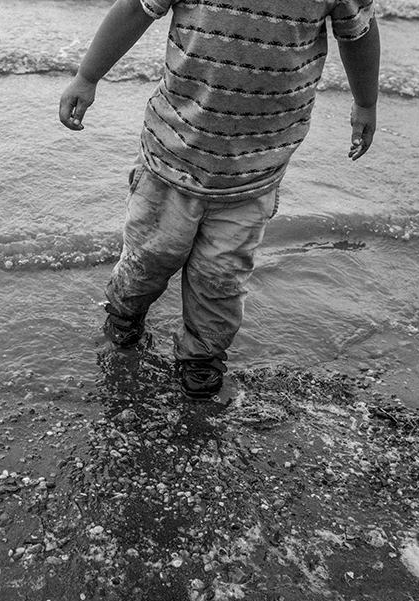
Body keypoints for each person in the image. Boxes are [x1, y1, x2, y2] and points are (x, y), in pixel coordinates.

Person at [59, 0, 380, 399]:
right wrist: (87, 76)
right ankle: (125, 316)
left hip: (254, 172)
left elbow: (359, 33)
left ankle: (202, 354)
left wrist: (366, 103)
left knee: (221, 278)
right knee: (149, 257)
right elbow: (135, 9)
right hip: (172, 155)